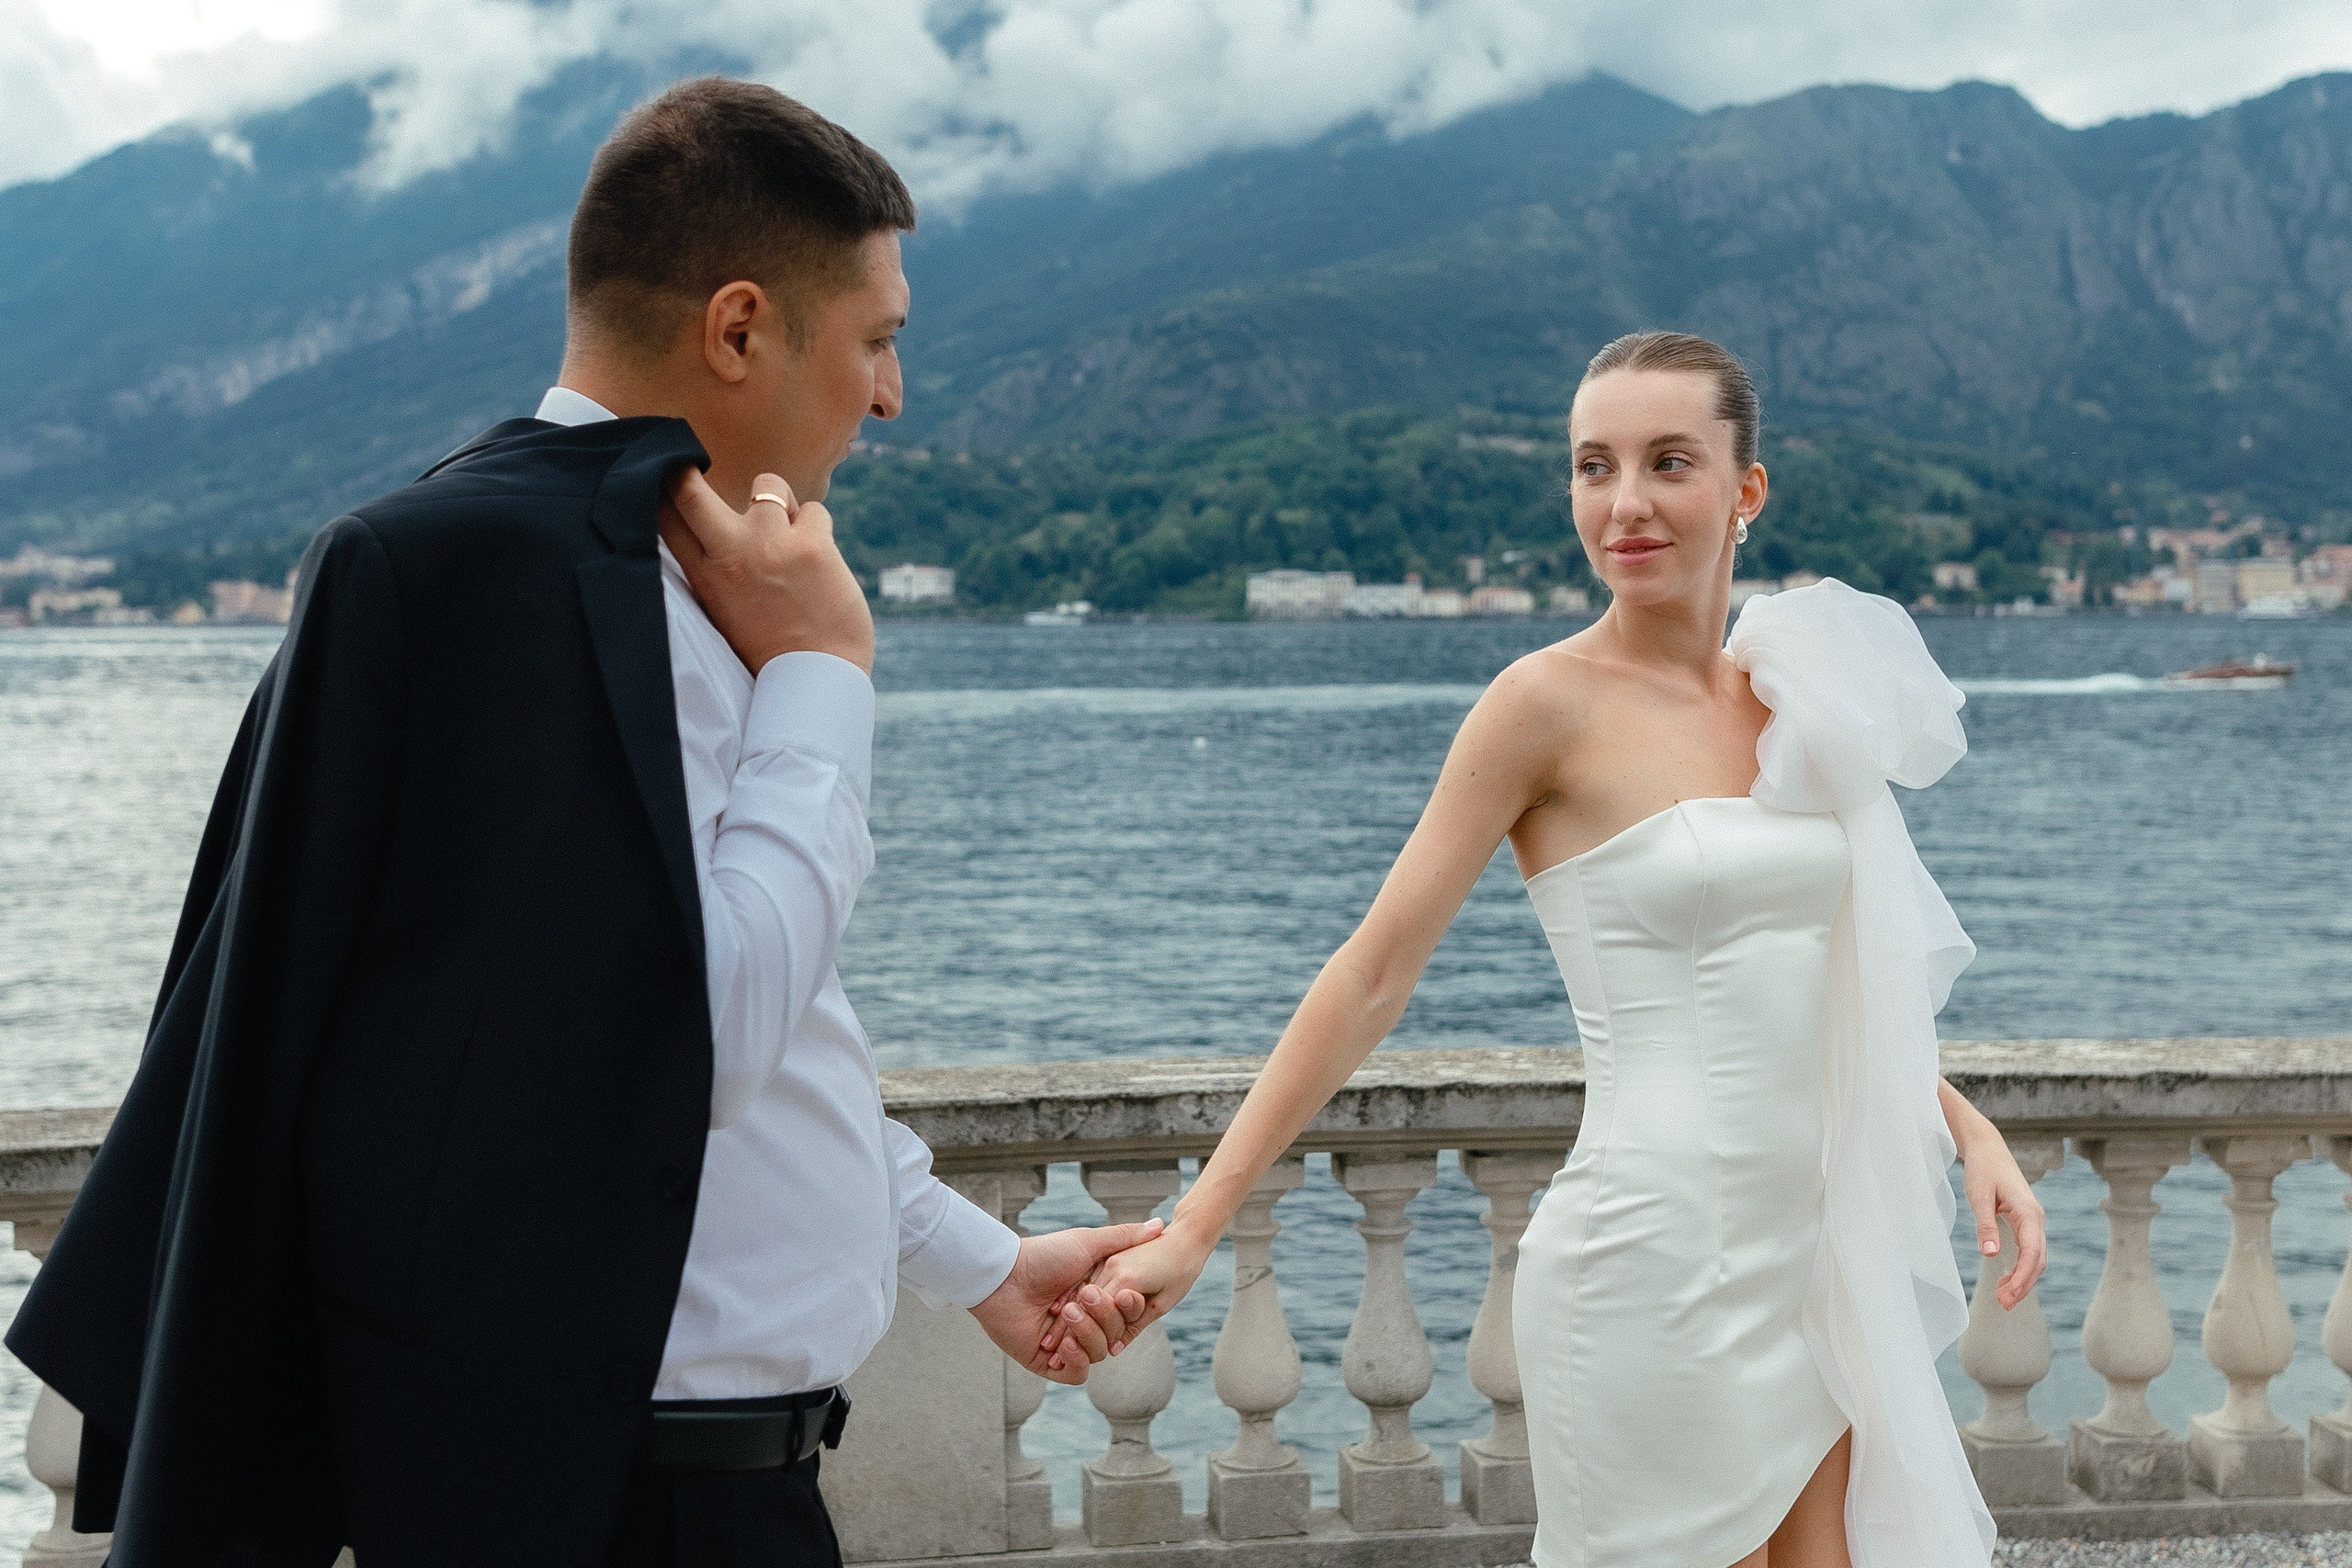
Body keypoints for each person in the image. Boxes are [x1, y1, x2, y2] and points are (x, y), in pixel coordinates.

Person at [6, 77, 1152, 1568]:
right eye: (877, 340)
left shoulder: (655, 577)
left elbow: (699, 1033)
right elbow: (696, 1041)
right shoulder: (508, 583)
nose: (890, 398)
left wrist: (973, 1259)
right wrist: (824, 676)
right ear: (739, 330)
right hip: (610, 1507)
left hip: (724, 1487)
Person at [1051, 331, 2049, 1567]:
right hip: (1650, 1259)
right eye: (1593, 466)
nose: (1624, 503)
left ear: (1747, 490)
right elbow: (1371, 975)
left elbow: (1817, 976)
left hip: (1813, 1258)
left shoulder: (1786, 699)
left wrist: (1964, 1123)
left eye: (1668, 462)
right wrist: (1199, 1221)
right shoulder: (1542, 706)